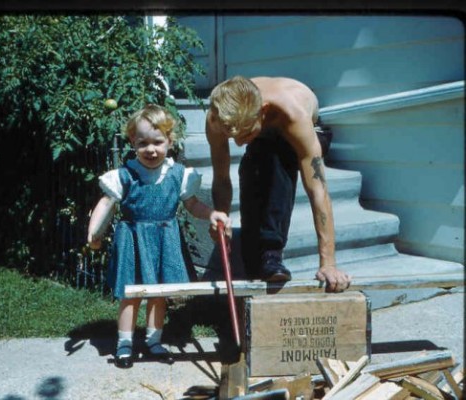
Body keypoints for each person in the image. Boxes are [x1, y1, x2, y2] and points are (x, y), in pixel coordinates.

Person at [87, 104, 231, 369]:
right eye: (143, 143)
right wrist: (94, 232)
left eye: (157, 142)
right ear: (133, 142)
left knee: (159, 294)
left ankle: (154, 341)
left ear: (169, 141)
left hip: (165, 240)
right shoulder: (125, 175)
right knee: (131, 295)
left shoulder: (178, 174)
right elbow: (106, 203)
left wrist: (211, 213)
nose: (150, 150)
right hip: (133, 239)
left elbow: (192, 205)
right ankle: (125, 344)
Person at [205, 75, 351, 293]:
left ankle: (271, 252)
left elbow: (318, 189)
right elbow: (222, 178)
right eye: (232, 137)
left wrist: (328, 263)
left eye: (245, 134)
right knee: (250, 167)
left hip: (308, 131)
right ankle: (257, 261)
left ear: (263, 111)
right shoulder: (217, 117)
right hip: (265, 132)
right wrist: (221, 219)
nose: (238, 143)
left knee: (274, 157)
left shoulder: (293, 115)